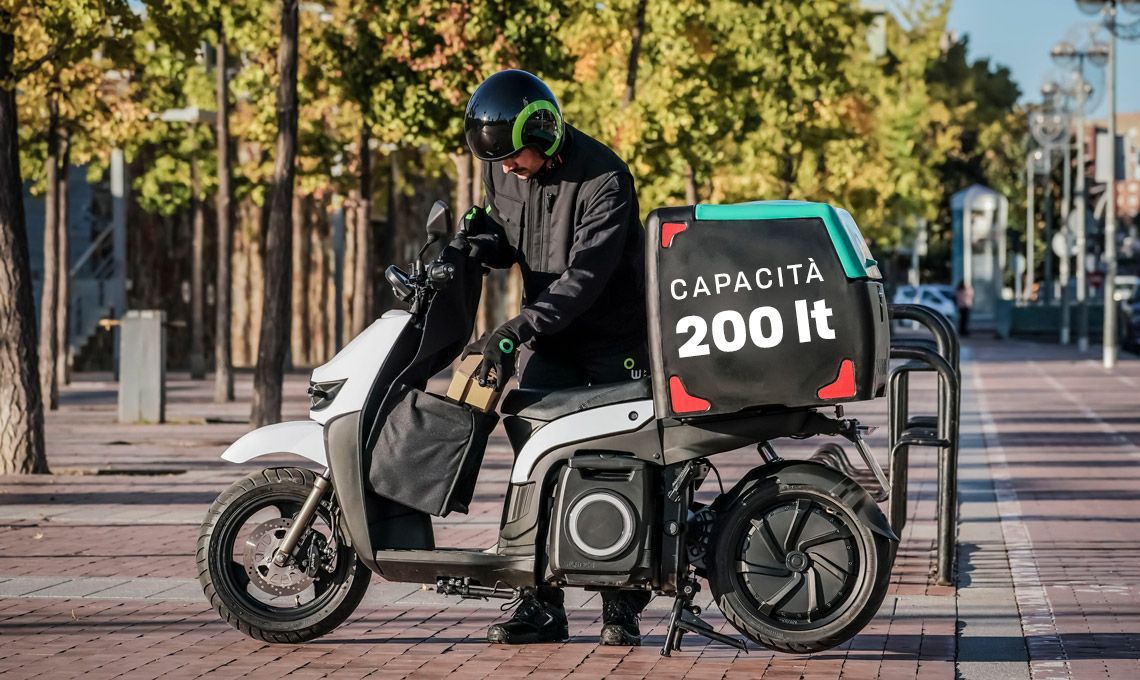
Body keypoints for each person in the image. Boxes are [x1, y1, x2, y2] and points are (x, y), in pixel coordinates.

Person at [460, 69, 651, 646]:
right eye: (498, 163)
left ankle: (622, 604)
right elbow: (511, 236)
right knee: (534, 465)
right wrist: (476, 242)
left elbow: (584, 278)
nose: (507, 169)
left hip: (612, 345)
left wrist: (515, 329)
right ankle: (539, 605)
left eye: (515, 157)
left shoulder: (605, 179)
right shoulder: (507, 173)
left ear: (542, 133)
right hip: (551, 342)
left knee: (621, 464)